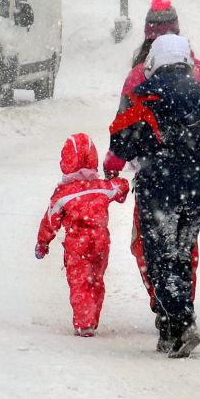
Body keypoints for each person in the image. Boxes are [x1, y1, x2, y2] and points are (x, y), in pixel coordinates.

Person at [104, 0, 200, 333]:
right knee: (184, 250)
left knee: (154, 249)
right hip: (196, 182)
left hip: (156, 181)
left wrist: (114, 164)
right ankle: (182, 306)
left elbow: (122, 132)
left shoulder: (139, 82)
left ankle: (170, 311)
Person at [34, 133, 130, 337]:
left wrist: (43, 242)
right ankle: (92, 317)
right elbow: (122, 187)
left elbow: (50, 221)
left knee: (80, 282)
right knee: (96, 280)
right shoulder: (102, 187)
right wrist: (114, 179)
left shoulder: (63, 194)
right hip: (101, 242)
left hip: (77, 244)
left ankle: (85, 322)